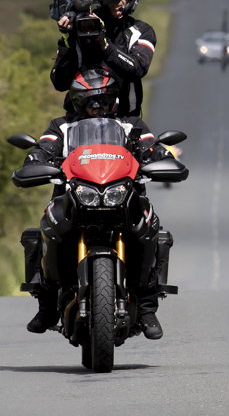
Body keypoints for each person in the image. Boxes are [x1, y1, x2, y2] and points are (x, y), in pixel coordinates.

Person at [24, 67, 172, 339]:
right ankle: (46, 306)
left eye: (102, 99)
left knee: (155, 232)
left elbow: (153, 148)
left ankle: (148, 307)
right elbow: (44, 148)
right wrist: (36, 160)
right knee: (39, 233)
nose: (96, 105)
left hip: (125, 198)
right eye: (88, 99)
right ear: (76, 101)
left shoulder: (132, 125)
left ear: (113, 99)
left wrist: (161, 157)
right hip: (72, 198)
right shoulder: (61, 126)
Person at [51, 0, 156, 116]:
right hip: (78, 122)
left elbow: (137, 68)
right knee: (48, 139)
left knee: (151, 140)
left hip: (125, 120)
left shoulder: (142, 30)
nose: (118, 0)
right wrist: (67, 38)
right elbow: (60, 83)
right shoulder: (82, 25)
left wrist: (103, 44)